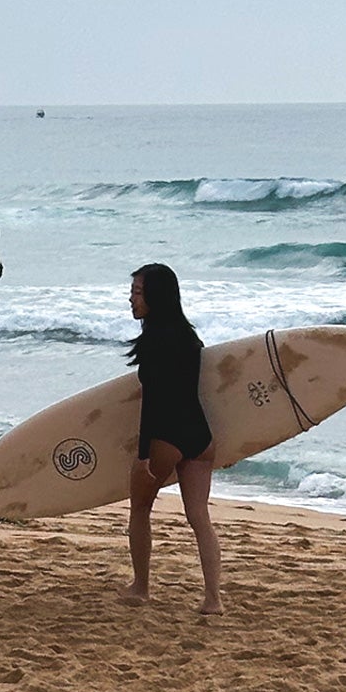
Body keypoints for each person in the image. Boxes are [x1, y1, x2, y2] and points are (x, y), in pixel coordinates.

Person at [119, 263, 224, 614]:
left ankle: (141, 587)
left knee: (140, 508)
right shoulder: (191, 338)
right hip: (200, 436)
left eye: (136, 292)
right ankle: (213, 599)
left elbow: (156, 401)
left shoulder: (154, 343)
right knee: (198, 516)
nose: (131, 299)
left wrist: (145, 454)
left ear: (155, 296)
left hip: (167, 437)